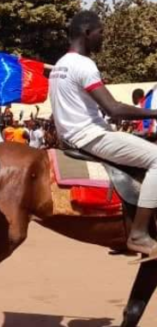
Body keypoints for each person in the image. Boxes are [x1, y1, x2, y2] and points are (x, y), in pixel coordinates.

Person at [49, 10, 157, 258]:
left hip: (72, 136)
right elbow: (114, 109)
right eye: (100, 33)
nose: (103, 38)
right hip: (90, 136)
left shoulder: (60, 65)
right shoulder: (83, 65)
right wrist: (155, 114)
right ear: (87, 33)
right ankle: (139, 233)